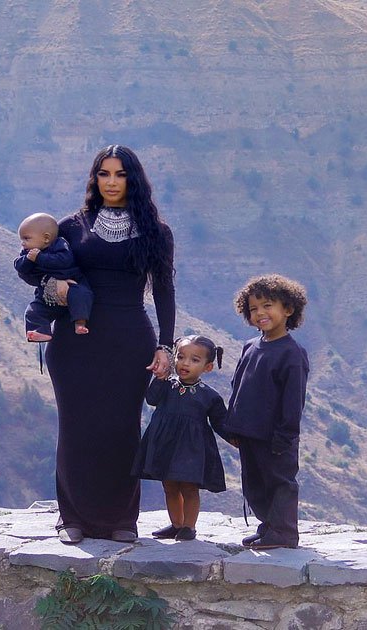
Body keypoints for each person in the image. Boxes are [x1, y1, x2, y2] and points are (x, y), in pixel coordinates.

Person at [17, 144, 176, 544]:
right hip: (75, 340)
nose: (111, 182)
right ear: (95, 178)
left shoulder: (157, 232)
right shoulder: (71, 226)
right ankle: (72, 517)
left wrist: (166, 346)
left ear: (133, 179)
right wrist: (53, 287)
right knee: (76, 426)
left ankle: (122, 519)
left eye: (120, 174)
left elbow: (164, 291)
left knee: (123, 428)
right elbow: (37, 271)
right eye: (104, 173)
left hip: (130, 339)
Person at [221, 274, 309, 549]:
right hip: (249, 432)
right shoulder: (250, 346)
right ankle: (268, 527)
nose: (260, 313)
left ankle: (284, 533)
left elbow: (294, 399)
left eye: (267, 305)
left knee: (279, 483)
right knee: (255, 484)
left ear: (288, 309)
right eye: (253, 308)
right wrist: (232, 425)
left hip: (275, 436)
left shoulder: (291, 353)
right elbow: (238, 385)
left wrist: (285, 435)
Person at [133, 335, 228, 541]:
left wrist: (237, 439)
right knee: (169, 485)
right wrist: (159, 378)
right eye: (181, 357)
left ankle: (189, 527)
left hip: (191, 450)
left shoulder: (209, 396)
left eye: (195, 360)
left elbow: (221, 423)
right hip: (165, 445)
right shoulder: (167, 386)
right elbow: (151, 399)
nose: (185, 363)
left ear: (207, 367)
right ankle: (176, 524)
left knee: (188, 487)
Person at [14, 212, 93, 341]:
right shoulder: (28, 252)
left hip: (73, 282)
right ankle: (40, 331)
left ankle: (80, 322)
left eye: (27, 238)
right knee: (32, 311)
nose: (23, 243)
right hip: (45, 292)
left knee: (81, 295)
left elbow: (64, 261)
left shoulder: (59, 245)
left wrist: (39, 258)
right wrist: (28, 260)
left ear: (46, 238)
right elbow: (20, 268)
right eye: (22, 240)